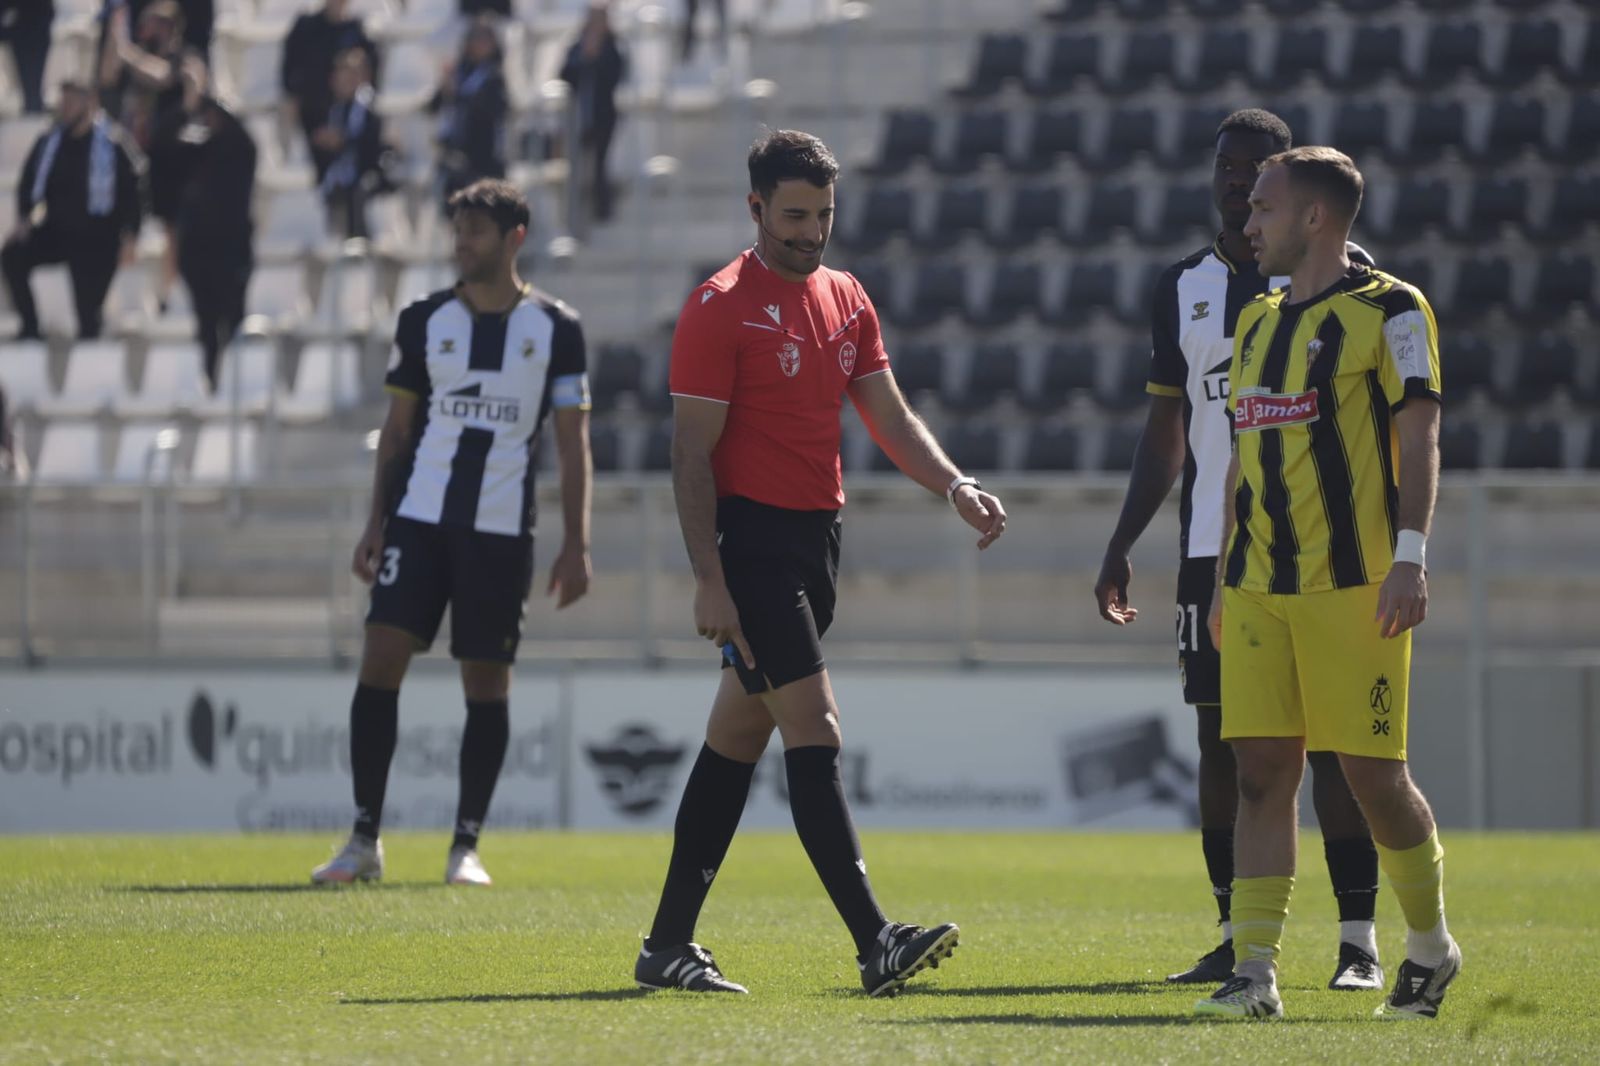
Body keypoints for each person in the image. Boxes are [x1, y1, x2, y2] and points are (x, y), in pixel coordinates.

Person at [634, 129, 1008, 997]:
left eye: (824, 215)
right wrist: (710, 579)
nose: (812, 232)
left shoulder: (846, 295)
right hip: (754, 547)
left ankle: (665, 947)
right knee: (818, 728)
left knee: (735, 739)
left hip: (817, 542)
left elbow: (888, 415)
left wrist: (953, 485)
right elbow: (691, 455)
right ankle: (876, 940)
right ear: (756, 207)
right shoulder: (718, 304)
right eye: (794, 215)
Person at [1095, 109, 1385, 992]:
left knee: (1336, 748)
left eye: (1256, 170)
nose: (1237, 183)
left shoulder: (1356, 286)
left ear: (1293, 188)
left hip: (1326, 549)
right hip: (1212, 553)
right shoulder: (1181, 286)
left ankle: (1360, 941)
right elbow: (1165, 432)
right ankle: (1234, 936)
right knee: (1222, 744)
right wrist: (1121, 542)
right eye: (1227, 167)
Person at [1193, 147, 1459, 1020]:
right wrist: (1229, 578)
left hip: (1356, 585)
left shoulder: (1392, 311)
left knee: (1373, 777)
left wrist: (1411, 555)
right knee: (1262, 774)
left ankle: (1429, 948)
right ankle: (1255, 974)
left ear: (1314, 218)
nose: (1248, 223)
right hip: (1260, 584)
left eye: (1264, 208)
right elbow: (1242, 460)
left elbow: (1417, 435)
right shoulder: (1258, 321)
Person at [311, 179, 594, 887]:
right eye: (457, 229)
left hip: (500, 533)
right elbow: (398, 432)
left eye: (475, 231)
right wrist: (375, 522)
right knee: (379, 662)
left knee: (487, 683)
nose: (460, 242)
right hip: (419, 524)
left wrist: (576, 541)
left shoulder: (557, 329)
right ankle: (364, 839)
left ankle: (465, 846)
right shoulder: (423, 320)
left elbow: (572, 443)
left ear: (514, 239)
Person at [4, 79, 144, 341]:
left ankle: (90, 339)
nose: (65, 107)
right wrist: (24, 218)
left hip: (98, 237)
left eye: (71, 101)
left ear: (89, 102)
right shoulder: (49, 142)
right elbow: (28, 182)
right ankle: (30, 327)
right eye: (63, 101)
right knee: (13, 255)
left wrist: (131, 235)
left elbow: (133, 192)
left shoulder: (113, 143)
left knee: (88, 316)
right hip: (57, 231)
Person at [155, 56, 255, 387]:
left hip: (232, 254)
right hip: (199, 257)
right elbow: (162, 142)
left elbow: (244, 139)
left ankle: (237, 386)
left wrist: (207, 95)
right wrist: (187, 105)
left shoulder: (237, 150)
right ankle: (213, 383)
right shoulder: (193, 151)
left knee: (235, 323)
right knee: (207, 327)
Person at [281, 0, 379, 166]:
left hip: (347, 121)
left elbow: (371, 72)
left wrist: (344, 135)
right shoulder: (306, 27)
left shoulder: (356, 29)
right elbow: (289, 71)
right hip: (314, 114)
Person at [429, 16, 508, 203]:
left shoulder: (494, 76)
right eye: (476, 38)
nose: (480, 44)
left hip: (483, 156)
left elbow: (496, 109)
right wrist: (445, 86)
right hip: (454, 153)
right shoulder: (459, 73)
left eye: (485, 39)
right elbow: (433, 106)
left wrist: (458, 94)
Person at [313, 48, 389, 240]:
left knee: (359, 192)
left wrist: (343, 140)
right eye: (342, 73)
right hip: (341, 176)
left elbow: (374, 145)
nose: (346, 79)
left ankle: (361, 242)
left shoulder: (371, 107)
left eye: (352, 73)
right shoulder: (332, 109)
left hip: (369, 173)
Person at [559, 3, 625, 223]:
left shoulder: (613, 47)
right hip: (577, 117)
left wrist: (596, 59)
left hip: (602, 116)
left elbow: (616, 76)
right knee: (576, 167)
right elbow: (564, 76)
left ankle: (602, 212)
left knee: (600, 163)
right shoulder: (575, 47)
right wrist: (584, 59)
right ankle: (574, 214)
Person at [0, 0, 54, 114]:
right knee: (28, 77)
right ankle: (32, 105)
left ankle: (33, 105)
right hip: (23, 34)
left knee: (33, 77)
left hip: (32, 34)